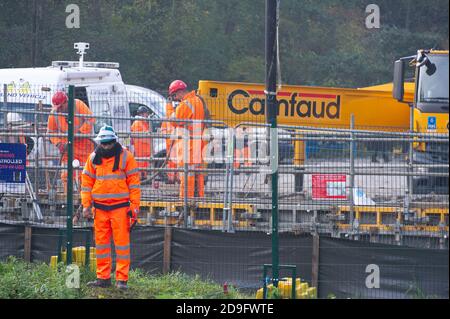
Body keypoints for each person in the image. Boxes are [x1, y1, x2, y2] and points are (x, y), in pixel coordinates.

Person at [81, 125, 141, 290]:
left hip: (120, 209)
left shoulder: (126, 157)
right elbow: (86, 183)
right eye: (104, 143)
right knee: (101, 245)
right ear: (100, 142)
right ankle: (103, 278)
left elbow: (134, 184)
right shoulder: (93, 158)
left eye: (109, 143)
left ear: (114, 141)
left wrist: (134, 208)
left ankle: (121, 280)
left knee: (122, 245)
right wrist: (86, 204)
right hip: (99, 210)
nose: (106, 146)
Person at [47, 91, 95, 190]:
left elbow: (90, 120)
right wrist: (59, 143)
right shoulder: (54, 113)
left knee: (85, 175)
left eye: (60, 107)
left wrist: (80, 133)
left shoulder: (78, 105)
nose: (58, 110)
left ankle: (84, 199)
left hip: (84, 149)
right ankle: (68, 199)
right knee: (66, 176)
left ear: (66, 102)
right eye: (57, 108)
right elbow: (51, 133)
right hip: (67, 150)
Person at [168, 80, 208, 198]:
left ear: (179, 92)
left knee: (187, 173)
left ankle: (186, 201)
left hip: (188, 145)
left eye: (174, 96)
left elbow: (173, 121)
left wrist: (169, 107)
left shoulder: (186, 104)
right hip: (197, 142)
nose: (175, 99)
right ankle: (199, 197)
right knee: (197, 172)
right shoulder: (197, 101)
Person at [160, 97, 179, 184]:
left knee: (178, 162)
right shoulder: (167, 119)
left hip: (177, 144)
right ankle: (171, 179)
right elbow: (163, 130)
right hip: (170, 145)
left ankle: (178, 178)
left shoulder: (178, 118)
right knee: (171, 162)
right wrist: (168, 136)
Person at [131, 106, 152, 179]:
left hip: (144, 148)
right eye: (146, 114)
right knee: (140, 163)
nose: (147, 115)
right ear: (142, 114)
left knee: (144, 163)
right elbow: (139, 136)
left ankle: (144, 177)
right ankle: (140, 178)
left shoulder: (143, 122)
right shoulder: (137, 123)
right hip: (140, 148)